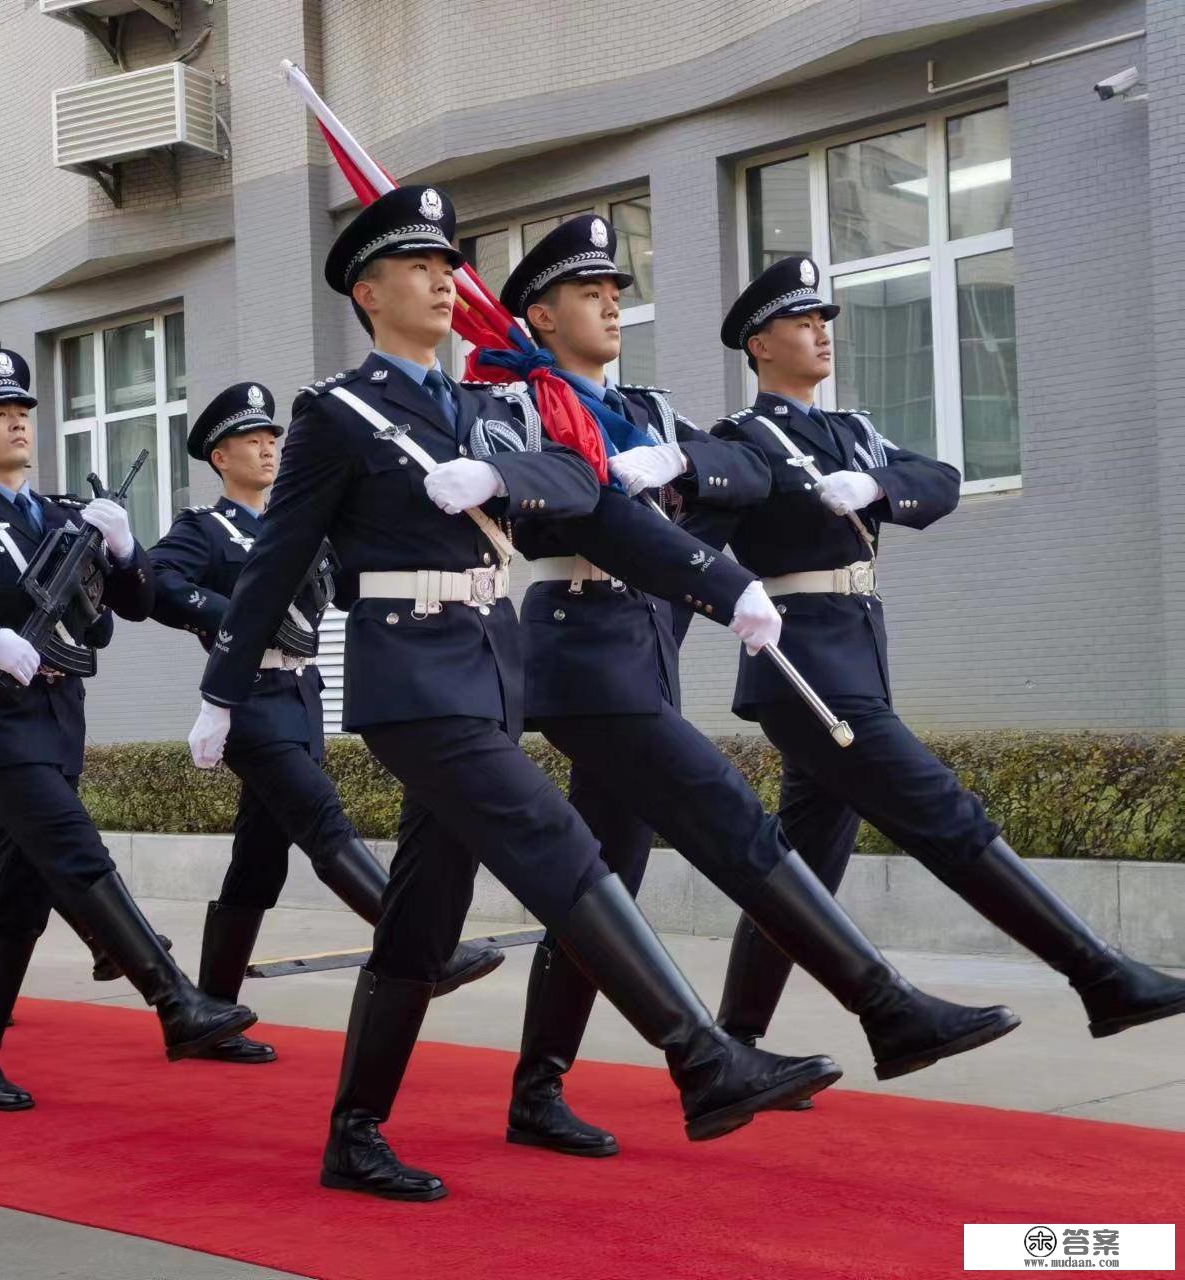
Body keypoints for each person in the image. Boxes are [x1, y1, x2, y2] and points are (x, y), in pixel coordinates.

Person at [187, 185, 840, 1202]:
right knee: (558, 841)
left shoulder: (482, 407)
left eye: (449, 265)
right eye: (418, 267)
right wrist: (222, 688)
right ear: (366, 291)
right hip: (408, 678)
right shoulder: (335, 412)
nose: (445, 282)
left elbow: (585, 497)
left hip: (489, 669)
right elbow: (276, 558)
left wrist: (717, 585)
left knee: (422, 910)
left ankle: (353, 1131)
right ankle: (700, 1056)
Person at [483, 217, 1016, 1157]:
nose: (613, 301)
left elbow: (738, 466)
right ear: (539, 315)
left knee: (596, 883)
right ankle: (880, 1010)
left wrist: (685, 463)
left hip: (644, 651)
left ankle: (540, 1091)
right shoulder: (526, 407)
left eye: (618, 288)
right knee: (733, 818)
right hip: (580, 651)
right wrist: (620, 481)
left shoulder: (644, 409)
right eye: (589, 291)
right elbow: (546, 511)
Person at [699, 255, 1185, 1049]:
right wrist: (723, 598)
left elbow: (942, 478)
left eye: (825, 320)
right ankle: (1100, 974)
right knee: (942, 812)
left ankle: (735, 1045)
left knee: (804, 865)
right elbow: (691, 549)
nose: (821, 332)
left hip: (856, 660)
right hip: (807, 674)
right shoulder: (746, 442)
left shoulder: (851, 432)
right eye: (801, 321)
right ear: (758, 345)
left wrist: (880, 487)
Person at [0, 348, 256, 1111]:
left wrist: (123, 550)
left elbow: (131, 610)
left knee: (19, 893)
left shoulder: (61, 516)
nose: (17, 422)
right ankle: (174, 1000)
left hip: (56, 716)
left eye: (23, 411)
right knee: (75, 848)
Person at [149, 382, 502, 1063]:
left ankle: (208, 1015)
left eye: (273, 437)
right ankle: (424, 952)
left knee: (259, 861)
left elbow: (347, 583)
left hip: (302, 694)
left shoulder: (300, 522)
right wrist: (237, 617)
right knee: (323, 822)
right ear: (220, 457)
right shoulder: (204, 529)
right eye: (252, 440)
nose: (268, 447)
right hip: (248, 696)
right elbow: (161, 585)